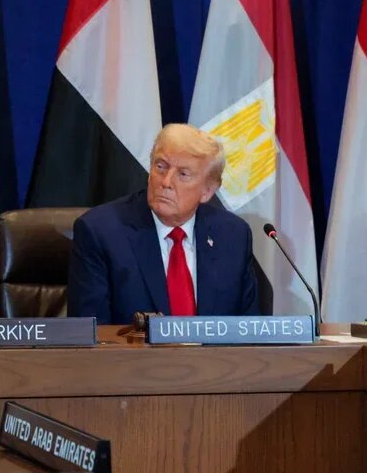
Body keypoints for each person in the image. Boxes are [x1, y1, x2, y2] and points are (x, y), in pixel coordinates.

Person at [68, 124, 259, 324]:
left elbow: (250, 331)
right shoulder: (100, 232)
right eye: (161, 166)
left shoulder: (233, 235)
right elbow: (92, 335)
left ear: (207, 191)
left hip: (215, 357)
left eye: (183, 174)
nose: (166, 182)